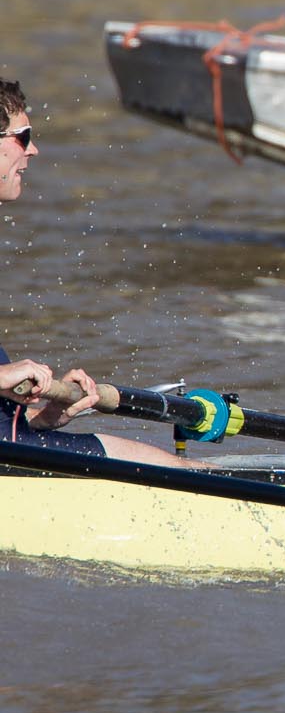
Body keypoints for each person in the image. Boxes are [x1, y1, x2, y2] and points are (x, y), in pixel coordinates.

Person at [0, 79, 191, 466]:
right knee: (183, 470)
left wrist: (45, 415)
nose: (34, 150)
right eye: (24, 137)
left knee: (196, 470)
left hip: (13, 445)